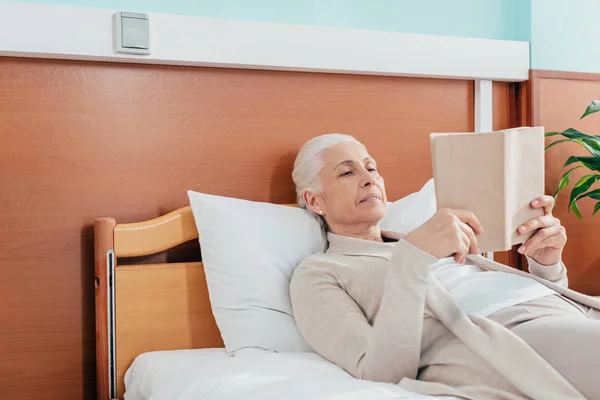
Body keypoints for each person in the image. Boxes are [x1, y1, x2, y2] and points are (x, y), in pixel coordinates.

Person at [289, 133, 600, 400]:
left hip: (568, 310)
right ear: (315, 201)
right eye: (347, 173)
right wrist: (411, 259)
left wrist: (547, 266)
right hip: (510, 334)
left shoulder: (422, 238)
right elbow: (378, 371)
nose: (370, 178)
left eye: (371, 167)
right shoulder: (319, 273)